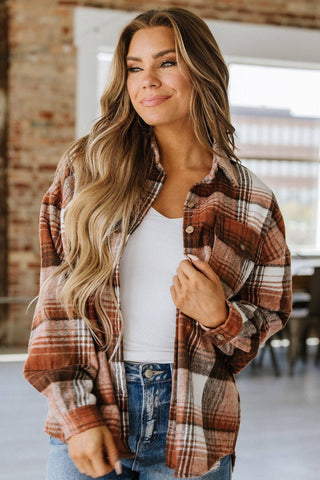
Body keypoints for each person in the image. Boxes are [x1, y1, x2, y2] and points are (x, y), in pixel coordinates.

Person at [24, 7, 292, 480]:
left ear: (201, 70)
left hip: (196, 427)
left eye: (167, 62)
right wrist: (78, 415)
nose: (147, 80)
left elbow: (266, 323)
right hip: (93, 412)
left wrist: (220, 316)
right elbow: (56, 304)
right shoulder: (89, 169)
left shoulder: (252, 200)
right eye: (134, 67)